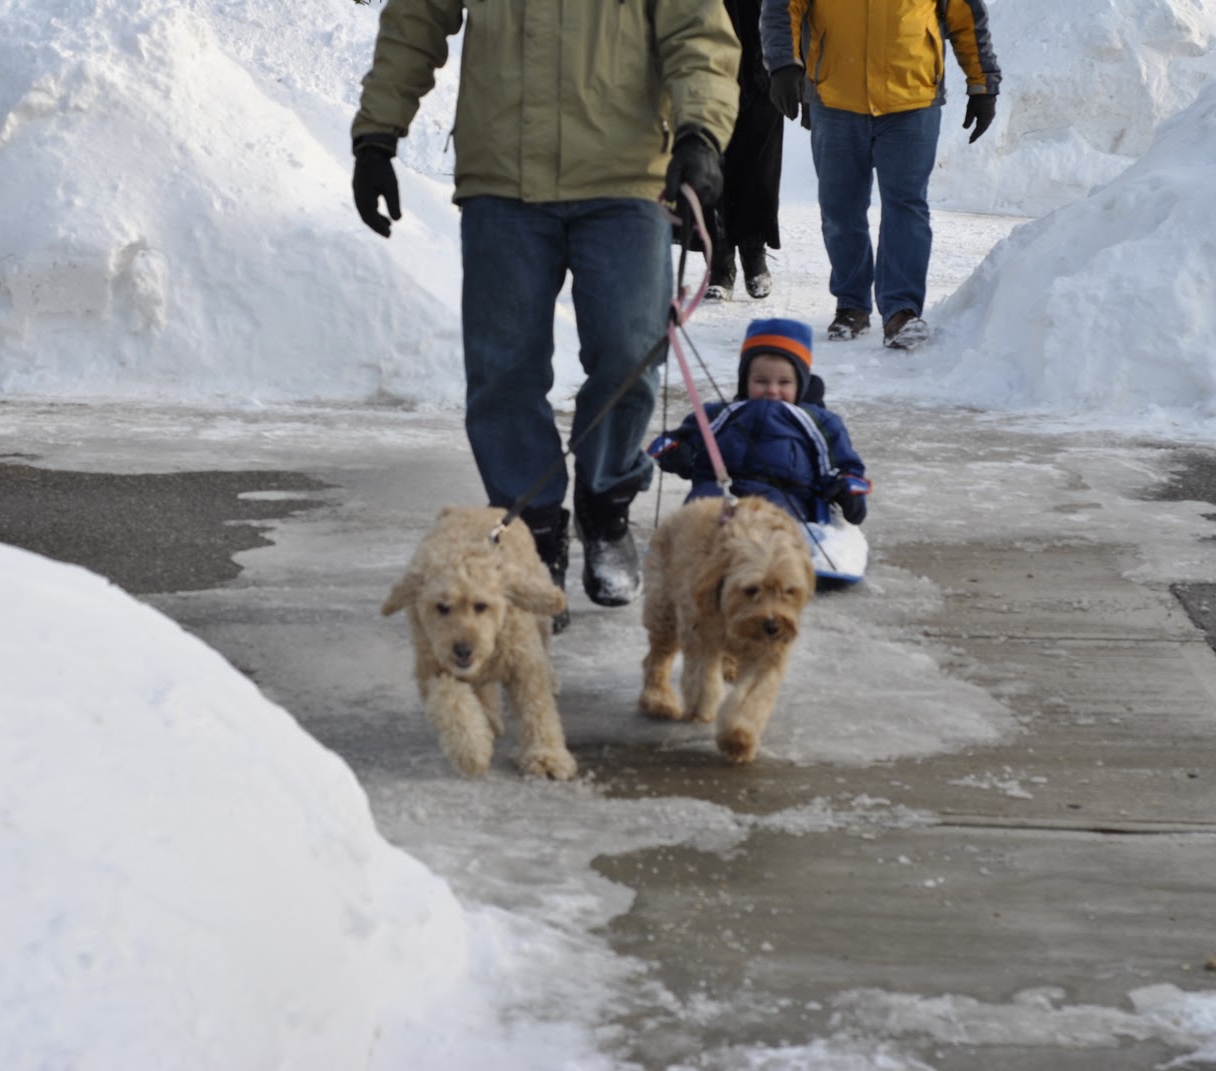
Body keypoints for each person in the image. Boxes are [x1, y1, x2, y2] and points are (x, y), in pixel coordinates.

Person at [350, 1, 741, 630]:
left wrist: (701, 133)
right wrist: (378, 134)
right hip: (505, 180)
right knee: (502, 370)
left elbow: (698, 31)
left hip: (625, 176)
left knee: (629, 354)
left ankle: (606, 503)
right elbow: (415, 19)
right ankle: (529, 535)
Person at [760, 0, 1002, 349]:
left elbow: (966, 16)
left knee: (906, 206)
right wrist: (784, 64)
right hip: (835, 98)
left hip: (913, 99)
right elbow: (782, 6)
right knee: (840, 209)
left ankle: (901, 311)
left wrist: (982, 84)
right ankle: (851, 304)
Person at [648, 317, 869, 526]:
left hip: (783, 498)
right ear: (745, 381)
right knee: (698, 514)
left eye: (784, 382)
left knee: (766, 525)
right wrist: (677, 452)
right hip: (719, 491)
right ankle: (691, 547)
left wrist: (848, 491)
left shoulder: (818, 422)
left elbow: (843, 466)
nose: (772, 390)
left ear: (800, 383)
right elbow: (673, 442)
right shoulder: (720, 414)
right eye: (761, 381)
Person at [705, 0, 787, 304]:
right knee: (712, 164)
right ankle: (720, 265)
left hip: (763, 56)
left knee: (760, 167)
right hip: (708, 55)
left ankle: (754, 254)